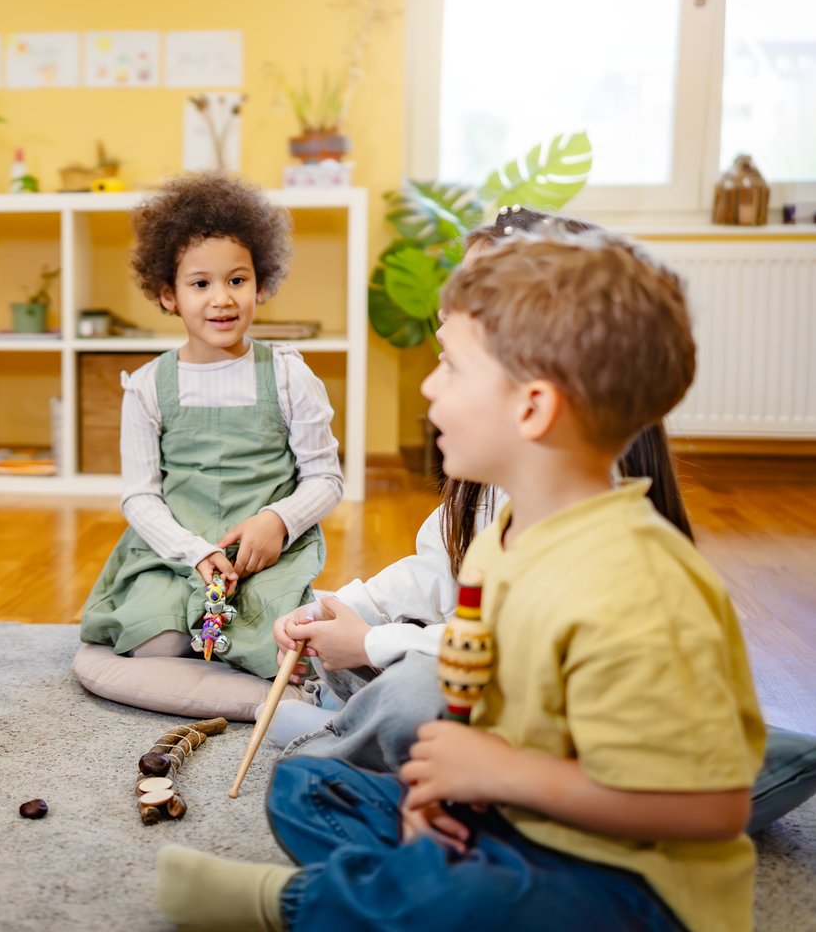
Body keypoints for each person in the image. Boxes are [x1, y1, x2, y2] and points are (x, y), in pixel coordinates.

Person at [157, 232, 764, 932]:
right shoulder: (500, 543)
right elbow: (482, 693)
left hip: (632, 886)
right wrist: (448, 792)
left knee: (481, 899)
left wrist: (496, 774)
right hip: (516, 822)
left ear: (531, 408)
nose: (425, 385)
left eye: (450, 368)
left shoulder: (640, 587)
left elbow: (710, 808)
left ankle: (302, 908)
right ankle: (413, 891)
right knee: (305, 786)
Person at [78, 172, 343, 680]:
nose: (221, 298)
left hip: (264, 555)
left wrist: (279, 521)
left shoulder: (289, 375)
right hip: (176, 550)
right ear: (169, 295)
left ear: (261, 285)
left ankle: (261, 622)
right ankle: (200, 625)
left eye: (236, 280)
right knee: (156, 642)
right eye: (200, 284)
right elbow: (139, 496)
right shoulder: (148, 385)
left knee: (277, 649)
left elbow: (326, 479)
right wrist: (194, 552)